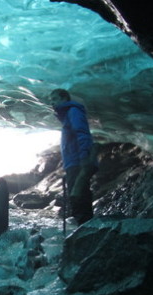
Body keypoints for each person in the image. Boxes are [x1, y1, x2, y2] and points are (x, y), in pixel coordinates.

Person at [49, 88, 98, 225]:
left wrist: (84, 158)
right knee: (80, 196)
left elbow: (82, 134)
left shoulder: (73, 111)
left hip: (78, 162)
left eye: (55, 99)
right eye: (51, 100)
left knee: (78, 198)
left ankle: (83, 230)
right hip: (73, 162)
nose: (52, 103)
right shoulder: (68, 115)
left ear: (64, 98)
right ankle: (84, 228)